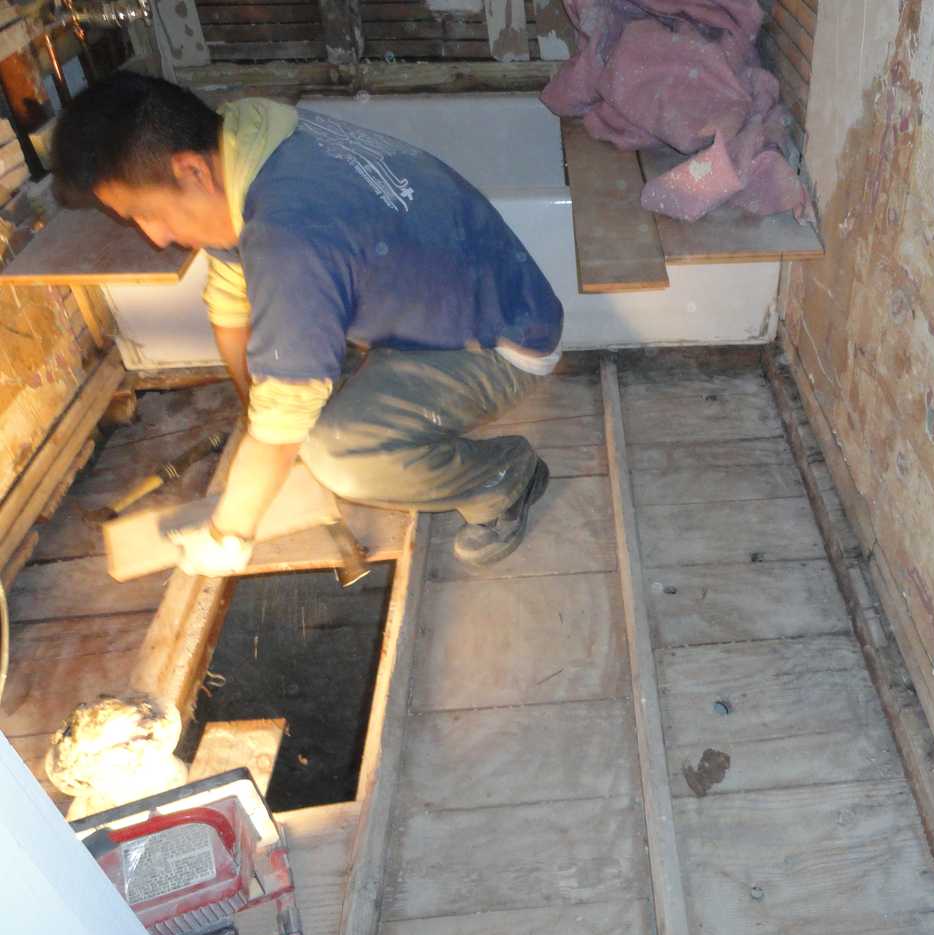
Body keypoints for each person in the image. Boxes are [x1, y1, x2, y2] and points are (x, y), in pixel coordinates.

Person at [52, 73, 563, 571]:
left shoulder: (289, 234)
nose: (154, 236)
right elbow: (231, 308)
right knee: (290, 410)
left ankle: (502, 479)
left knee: (340, 455)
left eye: (145, 212)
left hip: (500, 340)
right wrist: (260, 415)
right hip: (454, 301)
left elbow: (284, 411)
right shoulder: (245, 141)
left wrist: (228, 534)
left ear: (191, 172)